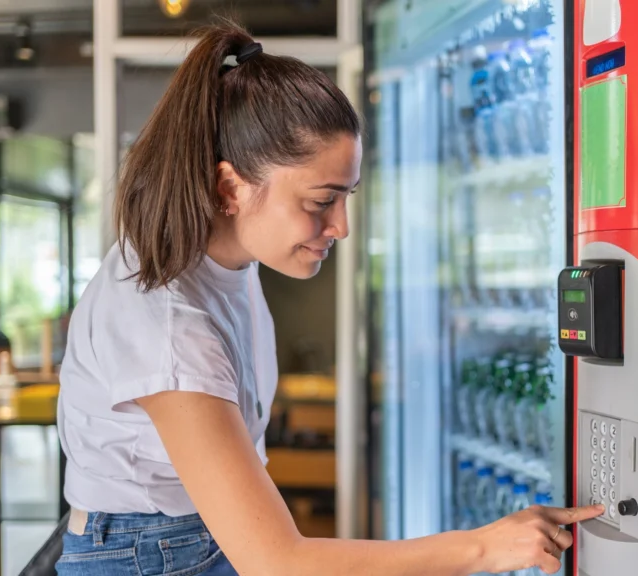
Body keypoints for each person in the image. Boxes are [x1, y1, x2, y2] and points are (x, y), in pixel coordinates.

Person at [55, 20, 603, 576]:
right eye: (322, 201)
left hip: (189, 539)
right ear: (229, 189)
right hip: (147, 557)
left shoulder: (220, 262)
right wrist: (483, 549)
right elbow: (277, 561)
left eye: (347, 198)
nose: (340, 227)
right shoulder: (168, 328)